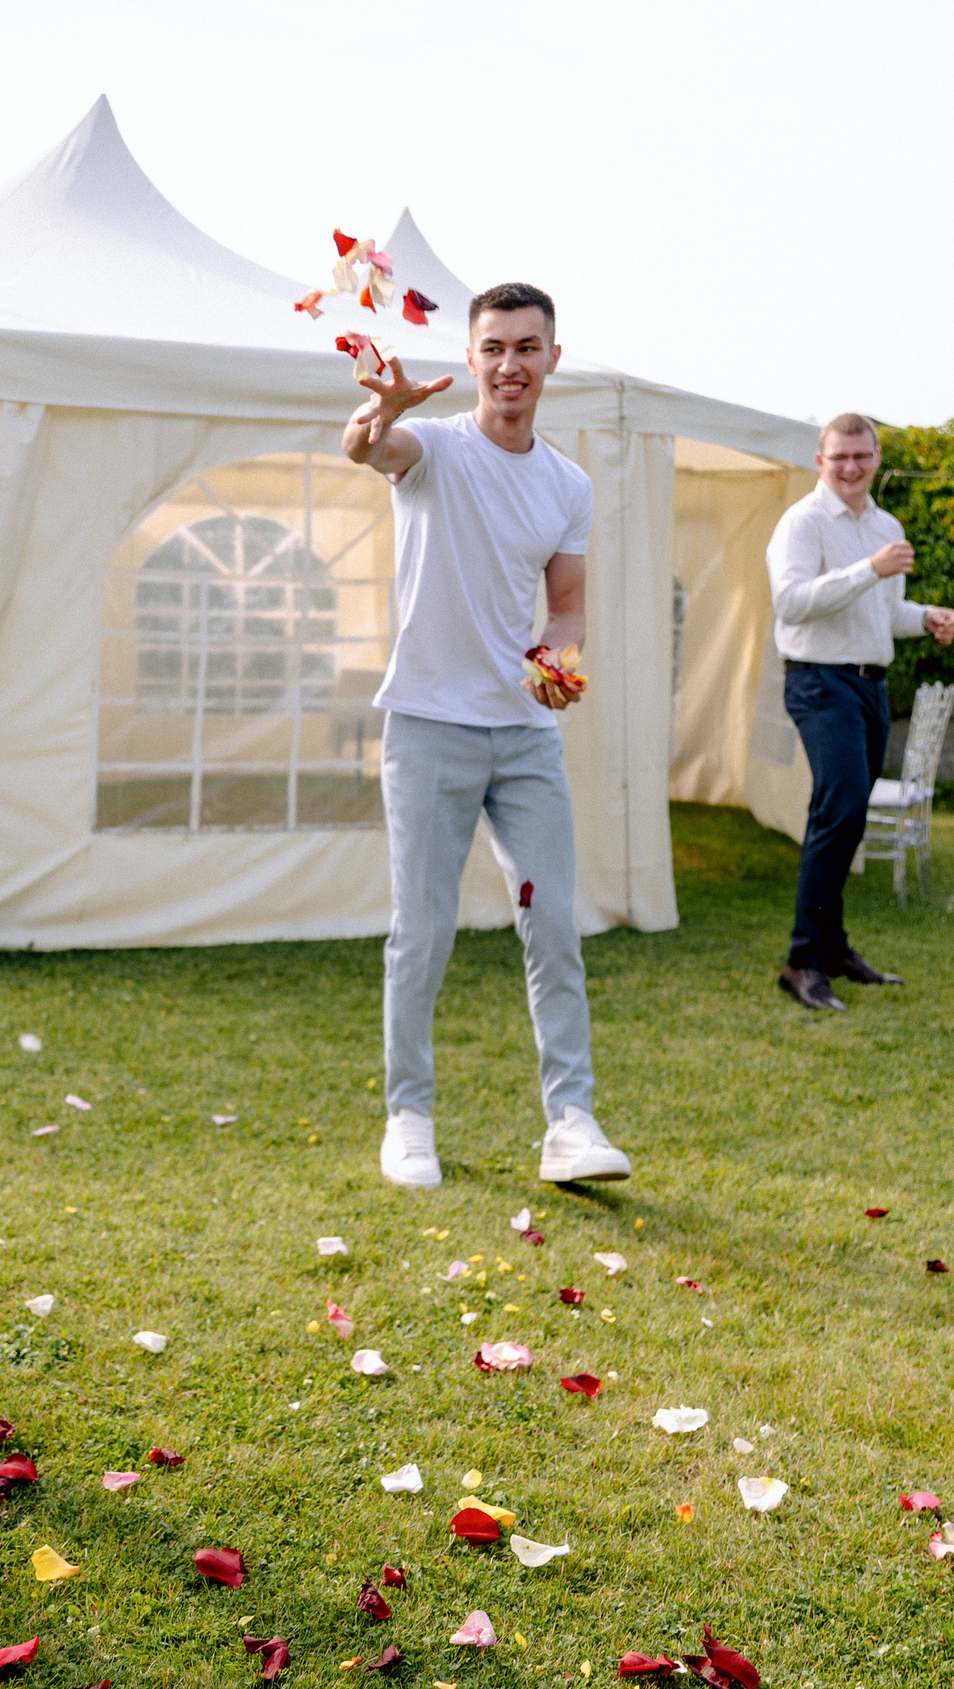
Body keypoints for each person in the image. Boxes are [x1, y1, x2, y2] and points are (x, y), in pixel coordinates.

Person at [343, 281, 634, 1192]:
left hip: (524, 738)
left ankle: (572, 1123)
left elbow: (570, 599)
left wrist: (562, 660)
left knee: (553, 923)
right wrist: (380, 411)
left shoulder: (569, 483)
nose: (511, 364)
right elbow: (366, 447)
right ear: (472, 359)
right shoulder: (430, 448)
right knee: (422, 928)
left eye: (527, 347)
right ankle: (410, 1116)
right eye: (495, 347)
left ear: (553, 358)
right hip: (429, 726)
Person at [766, 415, 954, 1012]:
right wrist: (868, 570)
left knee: (845, 818)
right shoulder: (802, 523)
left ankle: (834, 947)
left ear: (878, 458)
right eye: (839, 457)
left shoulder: (885, 525)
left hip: (870, 687)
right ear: (819, 460)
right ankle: (803, 962)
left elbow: (884, 616)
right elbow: (792, 604)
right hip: (818, 682)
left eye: (862, 456)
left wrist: (927, 615)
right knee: (842, 806)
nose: (850, 468)